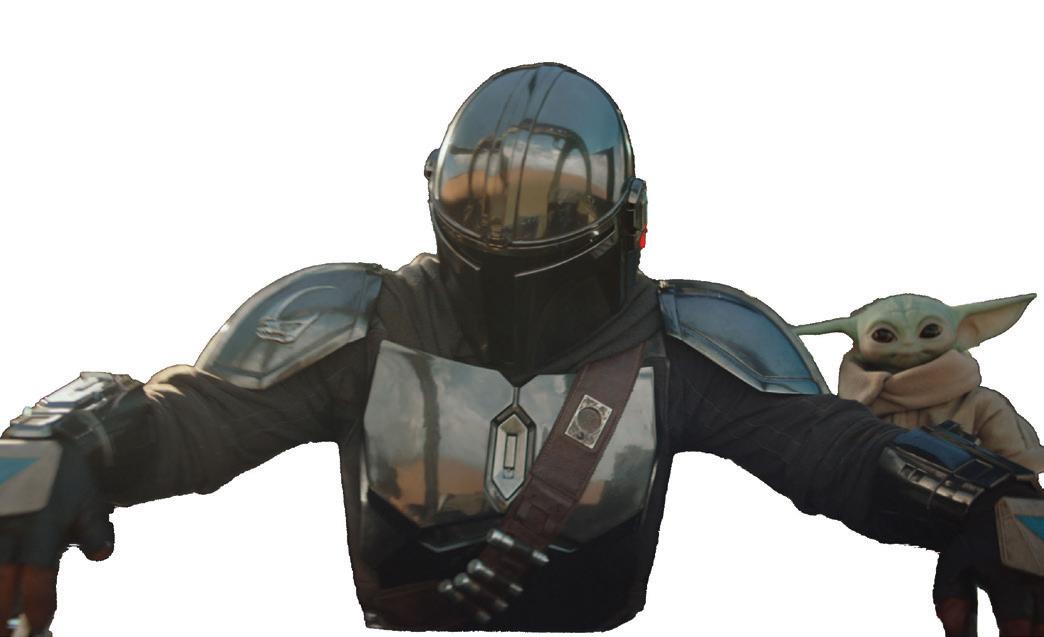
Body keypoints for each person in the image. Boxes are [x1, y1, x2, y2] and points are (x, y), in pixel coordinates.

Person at [0, 62, 1040, 636]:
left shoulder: (685, 342)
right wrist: (66, 441)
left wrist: (982, 497)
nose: (519, 216)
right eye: (497, 191)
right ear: (635, 215)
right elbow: (188, 423)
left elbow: (838, 451)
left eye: (549, 195)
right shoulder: (358, 321)